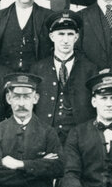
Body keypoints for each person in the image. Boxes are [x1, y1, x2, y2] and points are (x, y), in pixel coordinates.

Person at [30, 11, 98, 144]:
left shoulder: (90, 69)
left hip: (80, 138)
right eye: (61, 34)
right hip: (45, 137)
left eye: (70, 34)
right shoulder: (37, 69)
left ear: (76, 37)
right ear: (51, 36)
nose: (65, 40)